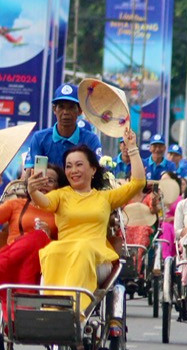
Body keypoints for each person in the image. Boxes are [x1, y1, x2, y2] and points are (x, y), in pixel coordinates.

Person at [30, 124, 146, 293]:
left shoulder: (105, 197)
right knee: (51, 249)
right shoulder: (61, 195)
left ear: (93, 169)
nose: (73, 171)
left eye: (79, 165)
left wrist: (132, 148)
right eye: (68, 166)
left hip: (96, 259)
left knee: (82, 249)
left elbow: (138, 183)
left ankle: (75, 307)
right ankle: (52, 305)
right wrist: (32, 190)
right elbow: (43, 202)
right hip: (65, 254)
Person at [0, 162, 61, 289]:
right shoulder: (16, 204)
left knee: (39, 236)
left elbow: (64, 243)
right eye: (39, 178)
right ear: (30, 182)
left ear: (58, 187)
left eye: (50, 181)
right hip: (14, 261)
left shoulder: (61, 211)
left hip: (43, 263)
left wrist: (48, 237)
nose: (43, 184)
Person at [24, 83, 102, 169]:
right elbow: (29, 171)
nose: (65, 112)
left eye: (71, 107)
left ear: (80, 111)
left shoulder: (91, 140)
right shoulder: (39, 138)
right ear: (54, 109)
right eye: (61, 107)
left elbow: (98, 170)